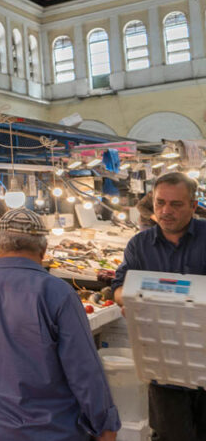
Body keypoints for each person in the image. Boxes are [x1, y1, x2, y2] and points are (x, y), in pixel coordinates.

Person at [0, 208, 120, 441]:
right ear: (43, 250)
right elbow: (84, 371)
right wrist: (105, 424)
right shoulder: (58, 293)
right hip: (53, 432)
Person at [112, 172, 206, 441]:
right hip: (164, 362)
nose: (166, 211)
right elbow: (118, 288)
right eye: (160, 202)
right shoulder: (139, 245)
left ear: (193, 204)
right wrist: (129, 298)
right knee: (170, 434)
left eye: (176, 205)